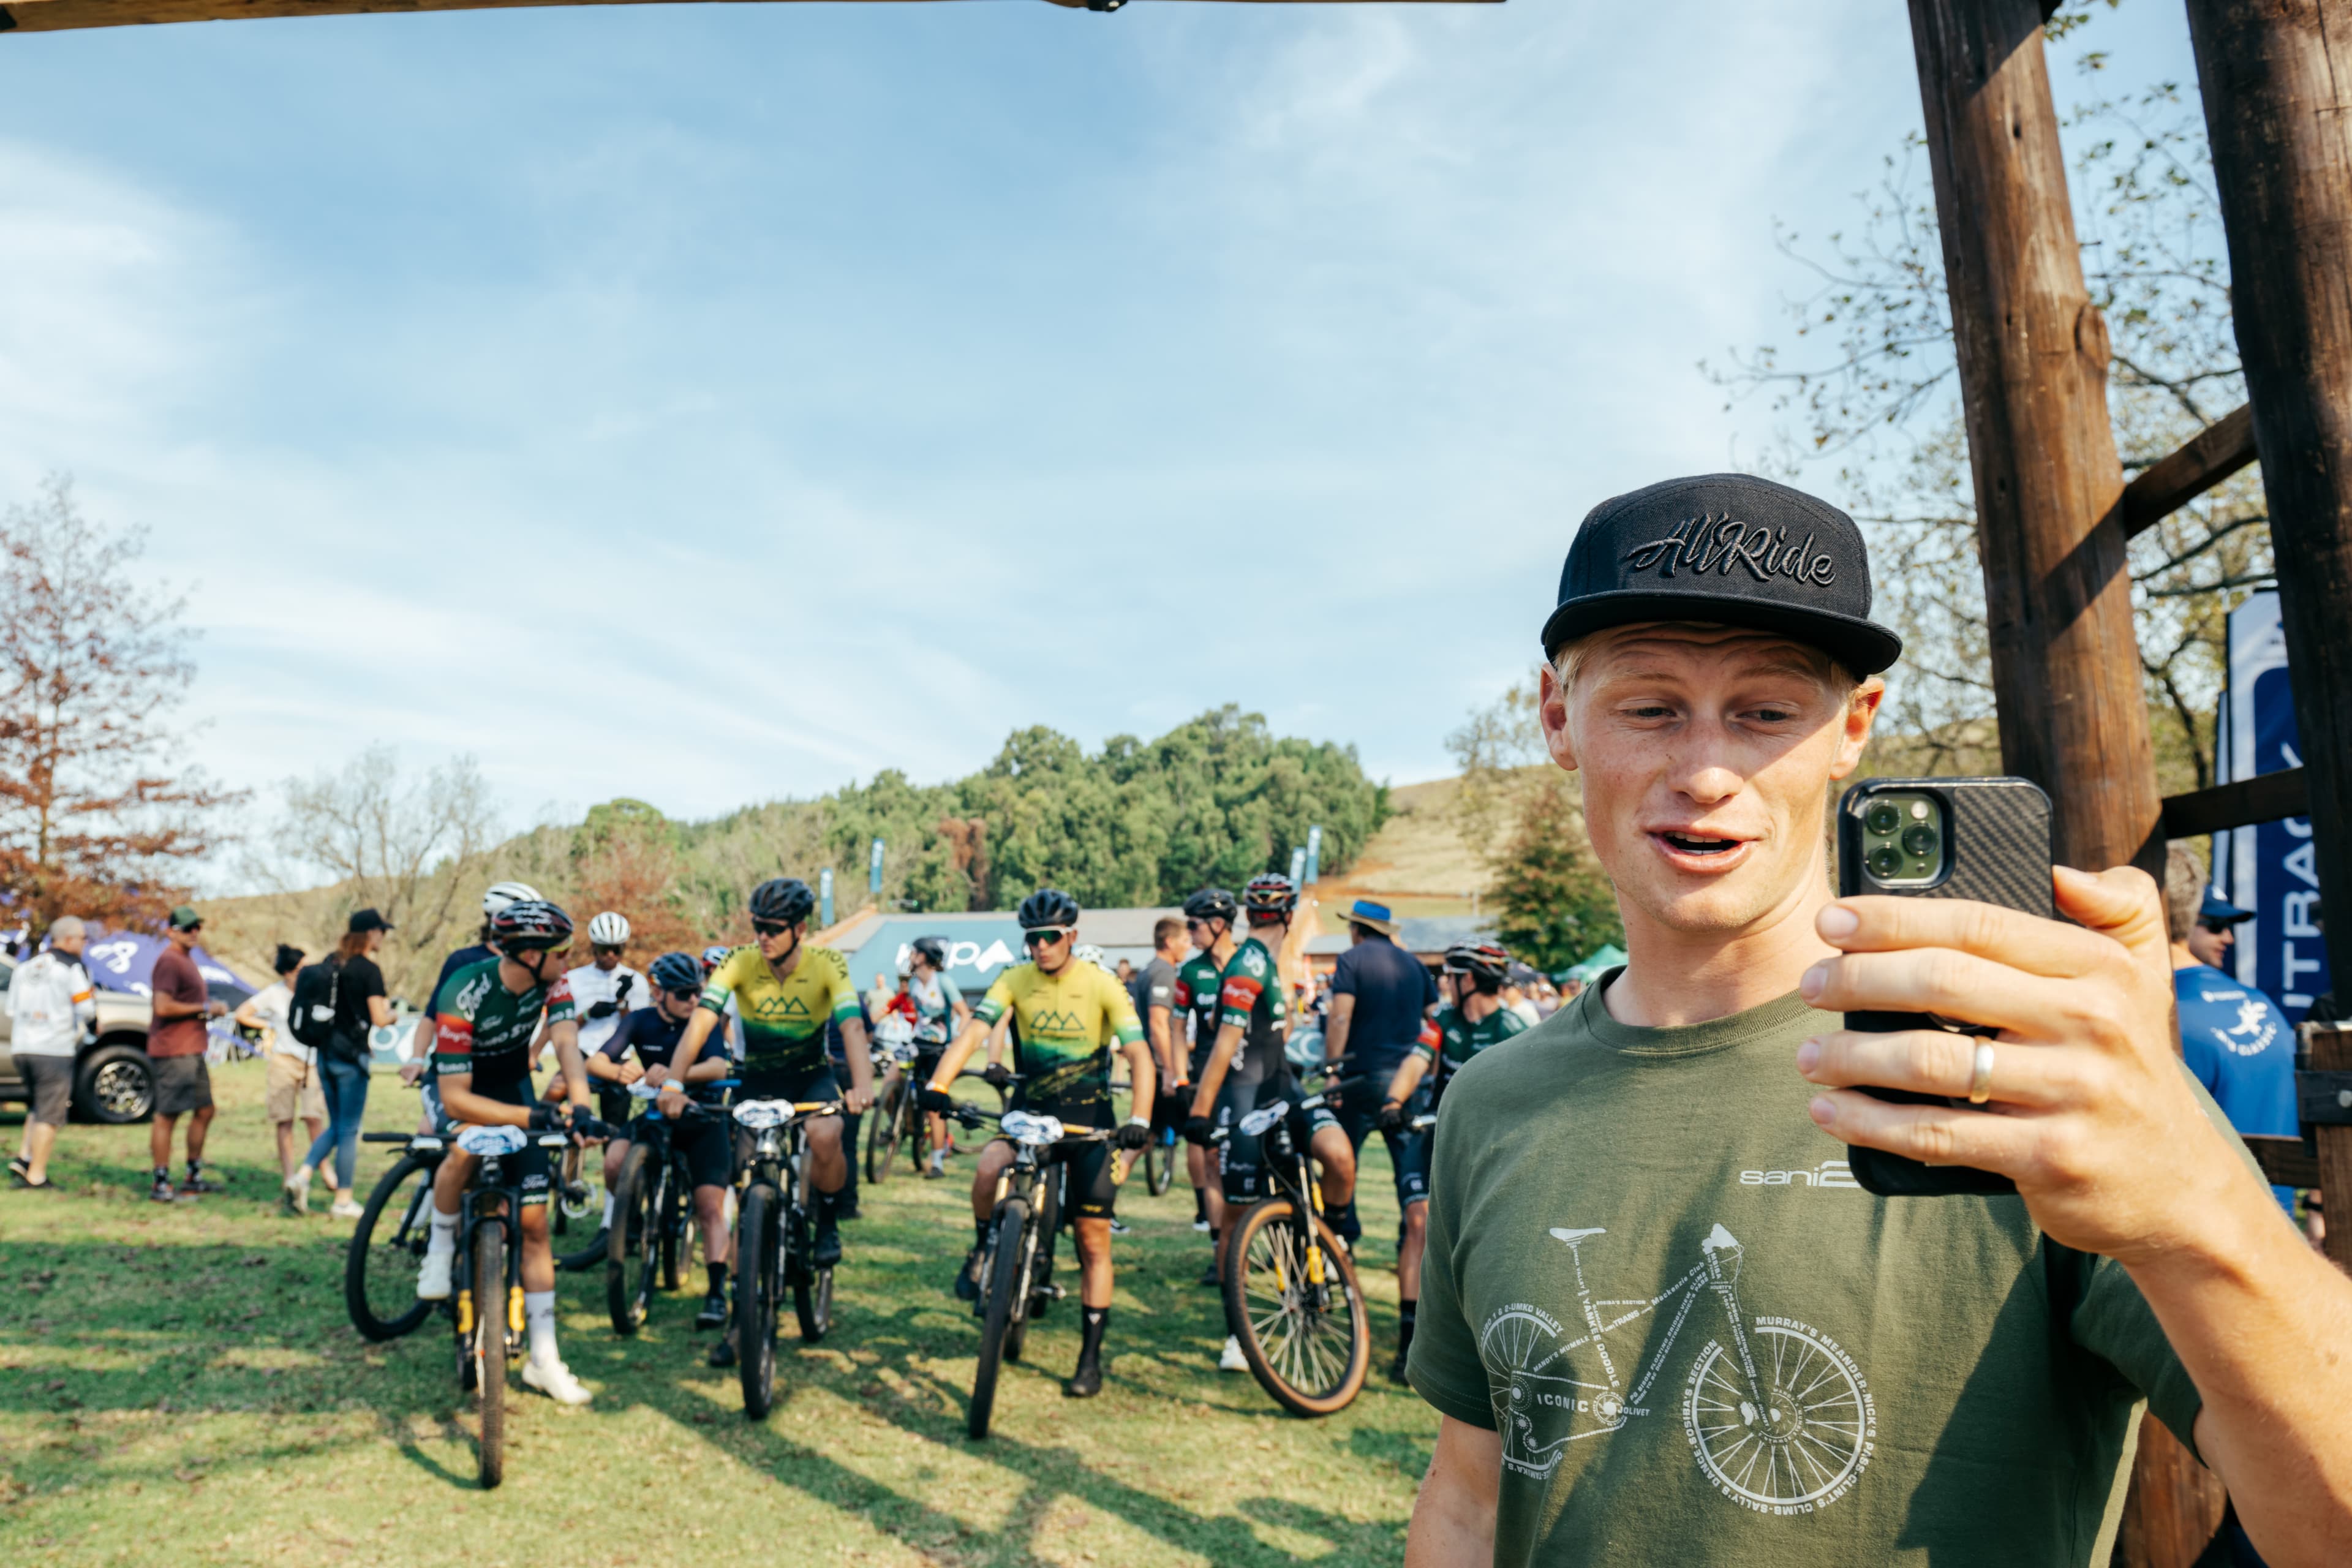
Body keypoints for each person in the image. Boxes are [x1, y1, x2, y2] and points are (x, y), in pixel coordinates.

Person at [1402, 472, 2352, 1566]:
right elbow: (1471, 1495)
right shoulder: (1492, 1100)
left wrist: (2196, 1206)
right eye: (1651, 707)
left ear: (1853, 728)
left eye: (1766, 713)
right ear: (1559, 718)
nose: (1707, 771)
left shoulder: (2033, 1076)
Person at [922, 888, 1153, 1398]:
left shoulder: (1103, 985)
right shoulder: (1014, 979)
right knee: (987, 1168)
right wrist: (939, 1085)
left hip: (1088, 1122)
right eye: (1033, 939)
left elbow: (1139, 1056)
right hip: (1029, 1113)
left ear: (1072, 936)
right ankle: (985, 1247)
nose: (1041, 947)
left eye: (1051, 938)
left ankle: (1089, 1357)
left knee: (1094, 1239)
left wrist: (1138, 1117)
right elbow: (973, 1034)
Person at [415, 899, 596, 1405]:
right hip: (462, 1085)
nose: (569, 960)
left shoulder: (554, 982)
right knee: (461, 1155)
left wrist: (580, 1106)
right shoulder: (464, 990)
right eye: (562, 951)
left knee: (535, 1224)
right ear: (531, 954)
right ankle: (441, 1250)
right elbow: (454, 1098)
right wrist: (531, 1117)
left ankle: (544, 1358)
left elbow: (565, 1043)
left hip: (513, 1083)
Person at [657, 878, 873, 1286]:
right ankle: (743, 1315)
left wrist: (861, 1085)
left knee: (826, 1132)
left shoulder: (828, 963)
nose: (763, 937)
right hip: (757, 1081)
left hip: (811, 1078)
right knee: (746, 1178)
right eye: (758, 927)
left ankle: (827, 1218)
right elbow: (701, 1023)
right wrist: (673, 1082)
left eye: (774, 929)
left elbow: (853, 1027)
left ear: (800, 930)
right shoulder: (738, 961)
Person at [1186, 872, 1355, 1374]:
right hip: (1244, 1100)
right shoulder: (1249, 961)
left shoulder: (1271, 961)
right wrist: (1200, 1110)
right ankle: (1238, 1334)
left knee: (1338, 1154)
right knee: (1236, 1222)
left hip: (1284, 1087)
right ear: (1285, 915)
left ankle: (1336, 1236)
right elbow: (1225, 1042)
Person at [1374, 941, 1528, 1381]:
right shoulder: (1443, 1020)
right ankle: (1407, 1343)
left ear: (1471, 980)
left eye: (1451, 975)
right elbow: (1416, 1060)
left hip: (1485, 1147)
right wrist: (1393, 1100)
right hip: (1433, 1137)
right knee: (1418, 1223)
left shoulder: (1513, 1029)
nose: (1444, 983)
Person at [589, 951, 737, 1341]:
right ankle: (631, 1220)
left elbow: (719, 1068)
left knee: (710, 1207)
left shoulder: (703, 1024)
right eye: (684, 994)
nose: (693, 1000)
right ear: (659, 993)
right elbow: (597, 1062)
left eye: (698, 992)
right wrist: (622, 1071)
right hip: (656, 1117)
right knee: (614, 1162)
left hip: (703, 1118)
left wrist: (671, 1076)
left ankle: (718, 1291)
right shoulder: (641, 1020)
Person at [2165, 848, 2299, 1216]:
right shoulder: (2264, 1005)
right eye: (2215, 924)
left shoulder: (2164, 1015)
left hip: (2207, 1232)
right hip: (2277, 1228)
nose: (2228, 937)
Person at [1319, 899, 1441, 1291]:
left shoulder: (1352, 960)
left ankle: (1343, 1240)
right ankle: (1410, 1243)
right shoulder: (1414, 964)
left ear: (1357, 929)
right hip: (1406, 1083)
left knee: (1344, 1161)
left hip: (1360, 1078)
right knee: (1409, 1168)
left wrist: (1332, 1072)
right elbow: (1433, 1019)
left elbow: (1340, 1016)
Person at [405, 881, 543, 1133]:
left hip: (510, 1075)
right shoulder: (463, 962)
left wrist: (534, 1053)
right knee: (438, 1136)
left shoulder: (539, 964)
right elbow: (430, 1017)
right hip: (464, 1072)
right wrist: (416, 1058)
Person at [286, 909, 396, 1219]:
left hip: (324, 1055)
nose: (383, 938)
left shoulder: (331, 964)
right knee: (348, 1129)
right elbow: (379, 1017)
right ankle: (343, 1199)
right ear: (371, 933)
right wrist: (393, 1015)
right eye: (382, 932)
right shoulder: (368, 970)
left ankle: (302, 1176)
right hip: (351, 1058)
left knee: (338, 1125)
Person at [562, 910, 644, 1245]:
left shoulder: (635, 980)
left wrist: (622, 1004)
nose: (610, 957)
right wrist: (588, 1013)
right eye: (602, 950)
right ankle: (569, 1184)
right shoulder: (575, 979)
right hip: (581, 1057)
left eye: (617, 950)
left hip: (615, 1061)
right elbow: (565, 1024)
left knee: (614, 1136)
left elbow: (636, 1027)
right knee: (572, 1126)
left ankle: (612, 1217)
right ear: (592, 948)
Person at [7, 916, 96, 1191]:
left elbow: (11, 1009)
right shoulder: (70, 968)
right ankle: (37, 1176)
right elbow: (87, 1008)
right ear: (68, 939)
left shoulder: (25, 967)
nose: (84, 943)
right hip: (53, 1049)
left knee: (38, 1105)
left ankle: (24, 1157)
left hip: (22, 1048)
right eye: (83, 938)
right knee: (51, 1114)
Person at [1172, 888, 1239, 1248]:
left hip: (1248, 1076)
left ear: (1217, 925)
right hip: (1206, 1079)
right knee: (1212, 1161)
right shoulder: (1190, 972)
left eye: (1193, 925)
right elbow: (1178, 1029)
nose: (1189, 933)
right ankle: (1221, 1246)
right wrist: (1180, 1076)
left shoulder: (1249, 962)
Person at [149, 905, 228, 1202]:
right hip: (173, 1050)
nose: (194, 932)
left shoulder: (186, 960)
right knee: (167, 1116)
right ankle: (160, 1183)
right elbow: (162, 1007)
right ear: (171, 931)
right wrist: (206, 1009)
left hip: (192, 1049)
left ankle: (192, 1176)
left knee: (205, 1110)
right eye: (186, 928)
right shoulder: (169, 961)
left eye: (197, 927)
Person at [234, 944, 325, 1197]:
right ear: (287, 972)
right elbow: (242, 1014)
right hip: (283, 1060)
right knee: (284, 1120)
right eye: (299, 970)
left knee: (314, 1118)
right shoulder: (273, 994)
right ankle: (289, 1176)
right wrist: (269, 1026)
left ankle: (325, 1171)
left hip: (312, 1060)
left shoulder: (315, 992)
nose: (305, 974)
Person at [903, 936, 969, 1179]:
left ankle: (938, 1160)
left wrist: (956, 1042)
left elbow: (964, 1013)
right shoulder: (913, 985)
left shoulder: (943, 982)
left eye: (914, 952)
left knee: (933, 1108)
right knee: (896, 1083)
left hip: (939, 1049)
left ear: (924, 956)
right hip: (918, 1045)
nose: (911, 957)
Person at [1128, 914, 1187, 1180]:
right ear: (1169, 941)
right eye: (1185, 940)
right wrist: (1170, 1069)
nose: (1189, 945)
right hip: (1158, 1067)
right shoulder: (1163, 972)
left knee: (1146, 1135)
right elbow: (1158, 1025)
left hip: (1149, 1065)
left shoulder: (1148, 969)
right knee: (1199, 1135)